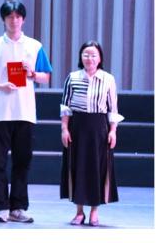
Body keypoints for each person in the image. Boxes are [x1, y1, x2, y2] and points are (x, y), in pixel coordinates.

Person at [0, 0, 53, 223]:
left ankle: (17, 207)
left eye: (18, 16)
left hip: (25, 111)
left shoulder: (35, 46)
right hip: (0, 112)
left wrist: (33, 74)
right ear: (3, 19)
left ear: (23, 19)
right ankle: (0, 207)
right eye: (10, 16)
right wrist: (0, 86)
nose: (14, 20)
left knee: (22, 162)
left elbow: (46, 76)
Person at [60, 41, 121, 226]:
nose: (89, 58)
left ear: (100, 58)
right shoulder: (72, 78)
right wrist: (64, 129)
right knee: (77, 167)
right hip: (77, 127)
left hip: (99, 128)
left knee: (97, 168)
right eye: (86, 54)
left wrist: (113, 131)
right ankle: (79, 212)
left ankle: (94, 211)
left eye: (94, 55)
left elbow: (113, 108)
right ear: (81, 57)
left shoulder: (108, 79)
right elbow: (65, 106)